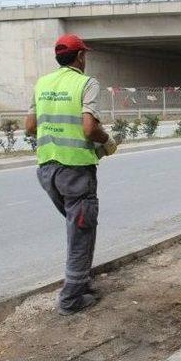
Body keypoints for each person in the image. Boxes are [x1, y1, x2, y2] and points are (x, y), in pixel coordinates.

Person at [24, 34, 117, 315]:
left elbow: (30, 126)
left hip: (47, 170)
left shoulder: (42, 84)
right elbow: (89, 128)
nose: (85, 59)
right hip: (75, 171)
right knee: (81, 231)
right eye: (85, 55)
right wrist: (107, 140)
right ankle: (71, 299)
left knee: (78, 228)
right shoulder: (86, 83)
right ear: (80, 57)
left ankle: (82, 282)